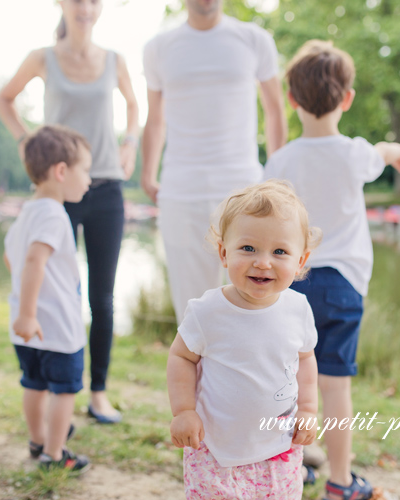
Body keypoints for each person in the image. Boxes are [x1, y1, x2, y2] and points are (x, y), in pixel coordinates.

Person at [264, 40, 400, 500]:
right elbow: (384, 154)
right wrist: (396, 152)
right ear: (347, 99)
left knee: (285, 383)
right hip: (343, 285)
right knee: (333, 386)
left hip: (292, 284)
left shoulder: (281, 159)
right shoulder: (355, 152)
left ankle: (289, 467)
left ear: (291, 100)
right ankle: (340, 481)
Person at [0, 0, 140, 424]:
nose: (86, 7)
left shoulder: (116, 60)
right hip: (59, 192)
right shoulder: (42, 58)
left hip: (107, 187)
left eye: (94, 1)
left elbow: (134, 104)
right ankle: (51, 387)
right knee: (52, 291)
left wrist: (130, 141)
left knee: (103, 298)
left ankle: (97, 392)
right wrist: (28, 142)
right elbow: (5, 99)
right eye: (78, 0)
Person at [166, 180, 320, 499]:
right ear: (224, 253)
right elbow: (181, 357)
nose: (263, 262)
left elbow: (305, 358)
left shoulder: (298, 309)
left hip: (279, 448)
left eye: (280, 251)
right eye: (248, 248)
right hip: (216, 451)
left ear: (300, 261)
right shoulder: (207, 312)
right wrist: (183, 411)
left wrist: (308, 408)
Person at [141, 0, 288, 323]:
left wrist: (276, 175)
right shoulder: (159, 48)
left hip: (243, 188)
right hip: (181, 190)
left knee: (256, 303)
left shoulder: (254, 39)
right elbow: (155, 120)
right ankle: (191, 375)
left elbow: (275, 109)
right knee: (192, 309)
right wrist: (148, 174)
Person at [3, 125, 93, 472]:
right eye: (84, 170)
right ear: (61, 171)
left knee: (34, 383)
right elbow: (33, 260)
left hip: (26, 328)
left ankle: (37, 440)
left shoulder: (27, 212)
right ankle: (55, 455)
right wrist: (30, 312)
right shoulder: (55, 214)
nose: (87, 179)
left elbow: (11, 256)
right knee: (64, 389)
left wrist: (23, 312)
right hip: (54, 323)